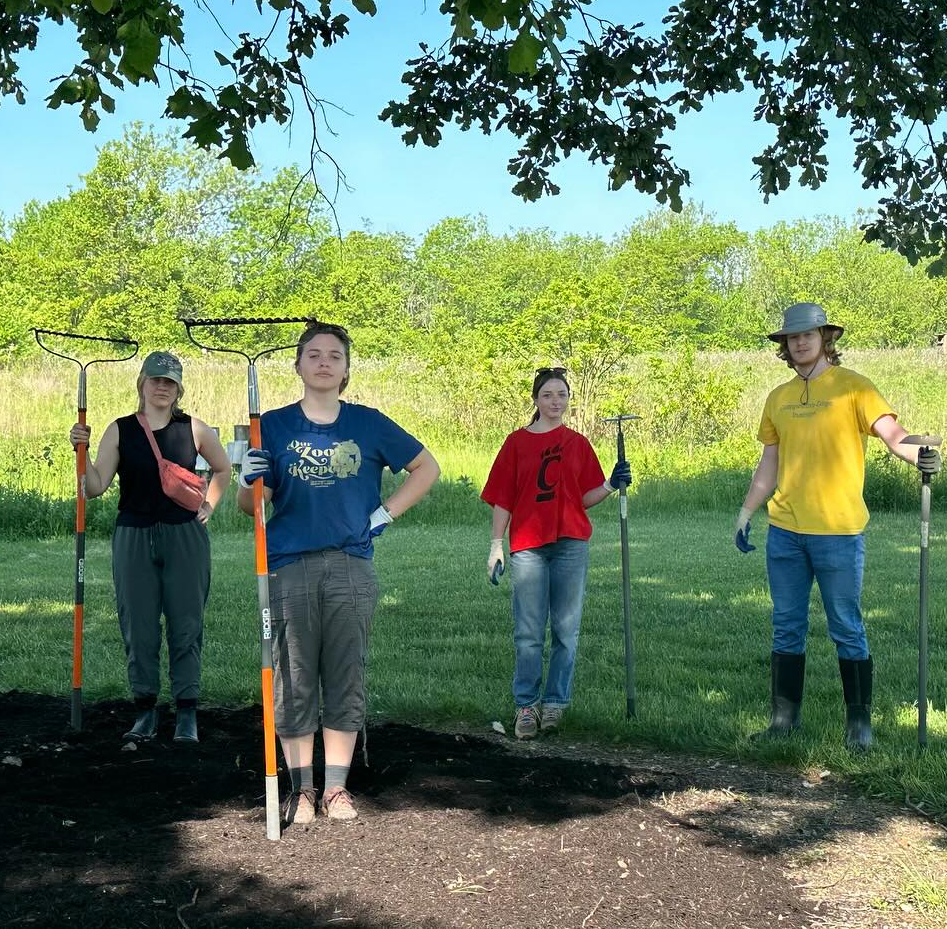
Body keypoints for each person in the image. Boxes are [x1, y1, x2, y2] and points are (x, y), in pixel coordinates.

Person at [236, 322, 440, 824]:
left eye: (334, 355)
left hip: (351, 565)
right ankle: (302, 790)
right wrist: (247, 481)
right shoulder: (274, 426)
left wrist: (384, 514)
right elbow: (252, 508)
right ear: (299, 365)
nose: (324, 361)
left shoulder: (368, 423)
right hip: (288, 566)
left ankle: (336, 789)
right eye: (314, 354)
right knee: (294, 675)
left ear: (346, 369)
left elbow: (426, 468)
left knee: (345, 673)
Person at [733, 303, 940, 751]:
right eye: (793, 337)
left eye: (809, 334)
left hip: (839, 533)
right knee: (786, 625)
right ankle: (784, 720)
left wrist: (920, 455)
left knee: (846, 625)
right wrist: (748, 511)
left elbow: (894, 436)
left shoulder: (855, 389)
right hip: (785, 531)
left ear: (826, 339)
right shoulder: (778, 398)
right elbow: (769, 464)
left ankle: (859, 725)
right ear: (785, 346)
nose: (800, 342)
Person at [69, 351, 231, 744]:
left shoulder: (194, 428)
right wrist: (82, 451)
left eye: (170, 382)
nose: (162, 387)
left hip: (185, 537)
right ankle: (145, 710)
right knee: (138, 626)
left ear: (178, 389)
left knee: (186, 624)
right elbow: (93, 487)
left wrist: (210, 502)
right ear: (141, 383)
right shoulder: (120, 430)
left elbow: (223, 468)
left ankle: (187, 711)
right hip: (134, 536)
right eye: (156, 379)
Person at [481, 367, 631, 740]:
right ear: (536, 400)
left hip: (570, 544)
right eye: (548, 394)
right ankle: (527, 705)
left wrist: (612, 484)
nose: (555, 401)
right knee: (529, 632)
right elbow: (502, 498)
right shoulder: (516, 443)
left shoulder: (577, 443)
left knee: (566, 630)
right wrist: (496, 545)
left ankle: (555, 704)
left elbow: (584, 498)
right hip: (530, 546)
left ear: (568, 400)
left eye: (561, 395)